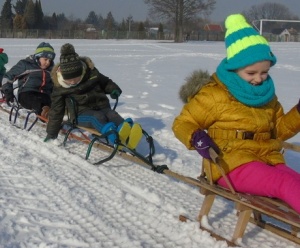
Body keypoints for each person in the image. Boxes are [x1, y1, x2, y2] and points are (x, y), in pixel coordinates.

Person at [172, 14, 300, 213]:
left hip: (267, 157)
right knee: (284, 183)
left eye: (264, 72)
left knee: (294, 179)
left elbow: (279, 132)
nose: (259, 79)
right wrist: (196, 137)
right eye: (251, 73)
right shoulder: (215, 95)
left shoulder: (266, 95)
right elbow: (182, 122)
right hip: (229, 163)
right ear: (234, 69)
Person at [45, 43, 142, 149]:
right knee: (97, 117)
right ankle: (114, 137)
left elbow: (105, 82)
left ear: (81, 71)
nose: (73, 82)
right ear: (63, 76)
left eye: (76, 78)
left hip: (102, 106)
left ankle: (127, 131)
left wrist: (113, 89)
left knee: (112, 114)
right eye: (69, 79)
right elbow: (56, 111)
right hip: (79, 114)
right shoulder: (60, 88)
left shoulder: (91, 73)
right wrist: (51, 133)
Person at [2, 42, 55, 117]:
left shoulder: (52, 70)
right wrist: (8, 91)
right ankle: (46, 114)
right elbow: (7, 77)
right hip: (26, 93)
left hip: (45, 94)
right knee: (36, 100)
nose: (47, 62)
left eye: (50, 60)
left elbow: (56, 84)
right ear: (38, 57)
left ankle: (59, 116)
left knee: (51, 101)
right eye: (45, 59)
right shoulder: (25, 64)